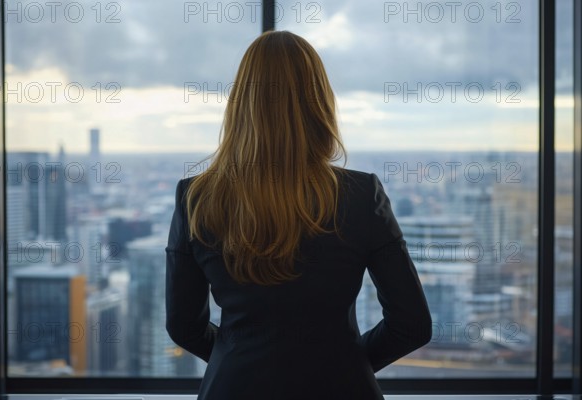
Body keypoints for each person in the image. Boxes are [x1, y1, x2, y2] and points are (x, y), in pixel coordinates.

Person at [165, 30, 432, 400]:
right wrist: (343, 364)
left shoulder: (197, 197)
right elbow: (412, 325)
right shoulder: (360, 195)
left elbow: (183, 327)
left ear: (241, 103)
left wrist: (242, 362)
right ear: (319, 102)